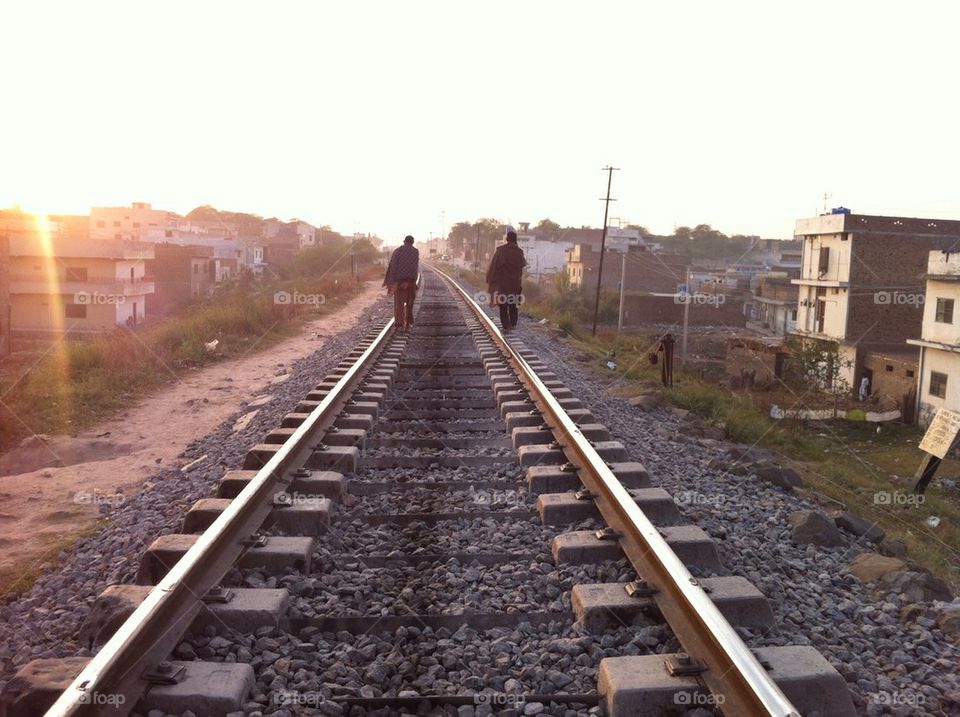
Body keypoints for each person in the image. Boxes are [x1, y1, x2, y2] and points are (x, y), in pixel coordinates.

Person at [485, 226, 527, 334]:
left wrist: (491, 280)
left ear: (507, 239)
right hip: (515, 284)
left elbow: (494, 267)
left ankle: (506, 326)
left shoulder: (501, 250)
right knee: (513, 304)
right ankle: (512, 324)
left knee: (503, 305)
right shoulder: (519, 252)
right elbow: (522, 267)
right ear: (515, 239)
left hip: (503, 285)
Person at [383, 235, 419, 331]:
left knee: (399, 304)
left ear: (404, 242)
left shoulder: (397, 251)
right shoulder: (416, 252)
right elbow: (415, 268)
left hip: (399, 283)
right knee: (409, 303)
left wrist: (391, 281)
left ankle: (399, 324)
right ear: (412, 242)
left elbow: (393, 267)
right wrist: (412, 281)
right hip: (411, 283)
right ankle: (408, 324)